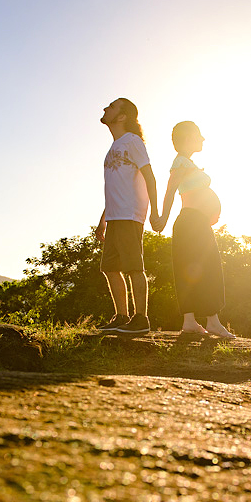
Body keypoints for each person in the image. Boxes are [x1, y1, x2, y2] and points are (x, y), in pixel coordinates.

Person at [154, 121, 234, 339]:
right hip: (192, 223)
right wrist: (162, 217)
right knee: (207, 268)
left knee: (195, 268)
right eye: (199, 135)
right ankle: (211, 322)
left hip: (196, 222)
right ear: (188, 137)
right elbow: (170, 191)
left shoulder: (186, 162)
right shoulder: (180, 162)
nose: (203, 139)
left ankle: (191, 322)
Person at [95, 98, 158, 334]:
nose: (105, 109)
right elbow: (115, 186)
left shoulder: (133, 141)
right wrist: (103, 219)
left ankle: (141, 319)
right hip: (114, 216)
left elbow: (150, 178)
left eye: (111, 107)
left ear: (122, 116)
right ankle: (121, 316)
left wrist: (156, 212)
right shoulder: (114, 147)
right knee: (110, 267)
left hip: (130, 215)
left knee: (133, 267)